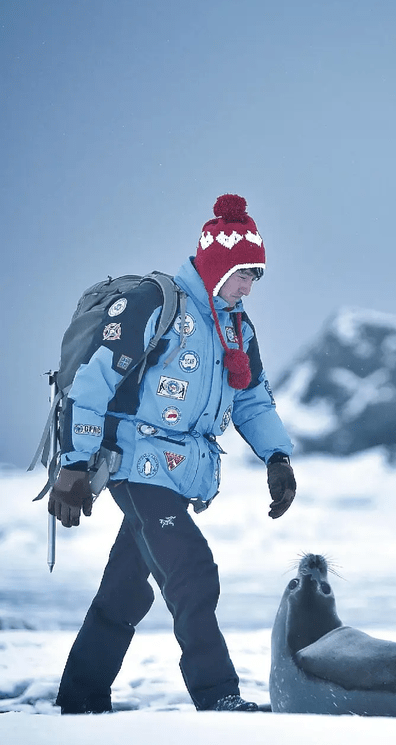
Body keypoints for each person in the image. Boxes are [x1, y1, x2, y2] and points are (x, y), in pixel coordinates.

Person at [48, 193, 296, 714]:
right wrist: (73, 465)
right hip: (135, 465)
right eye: (244, 273)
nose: (251, 285)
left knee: (125, 592)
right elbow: (94, 382)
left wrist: (277, 458)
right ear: (217, 264)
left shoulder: (236, 328)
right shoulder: (157, 304)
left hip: (179, 475)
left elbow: (251, 397)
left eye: (257, 275)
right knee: (193, 572)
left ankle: (80, 700)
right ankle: (219, 696)